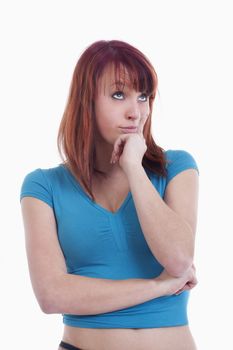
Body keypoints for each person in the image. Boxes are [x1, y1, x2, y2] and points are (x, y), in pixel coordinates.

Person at [20, 40, 199, 350]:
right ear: (85, 101)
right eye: (119, 95)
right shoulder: (42, 187)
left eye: (143, 96)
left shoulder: (177, 168)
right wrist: (158, 286)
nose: (136, 111)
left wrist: (134, 168)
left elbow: (179, 260)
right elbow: (52, 295)